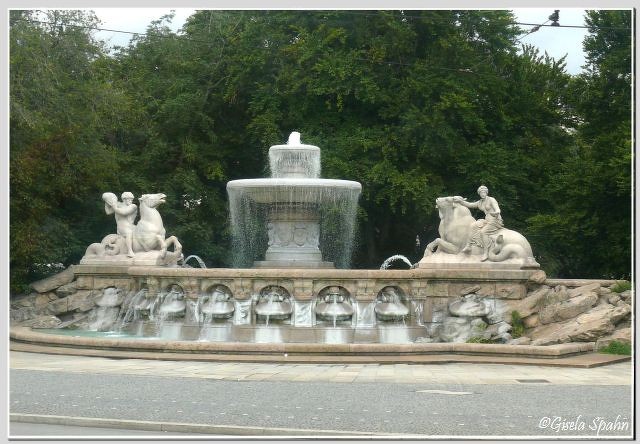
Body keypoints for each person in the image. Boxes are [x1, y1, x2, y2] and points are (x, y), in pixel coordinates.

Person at [453, 185, 503, 261]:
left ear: (486, 192)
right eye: (481, 193)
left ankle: (486, 253)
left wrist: (497, 212)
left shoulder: (491, 199)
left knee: (483, 232)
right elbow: (470, 204)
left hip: (495, 220)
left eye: (484, 192)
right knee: (473, 225)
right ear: (479, 194)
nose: (482, 194)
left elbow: (497, 208)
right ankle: (468, 246)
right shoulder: (480, 202)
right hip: (487, 220)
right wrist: (460, 201)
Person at [103, 191, 138, 257]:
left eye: (132, 199)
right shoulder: (118, 205)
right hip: (122, 226)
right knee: (129, 233)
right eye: (129, 199)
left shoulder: (133, 206)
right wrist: (107, 202)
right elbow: (108, 212)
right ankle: (130, 251)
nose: (131, 200)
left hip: (131, 225)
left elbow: (124, 212)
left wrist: (114, 206)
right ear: (124, 199)